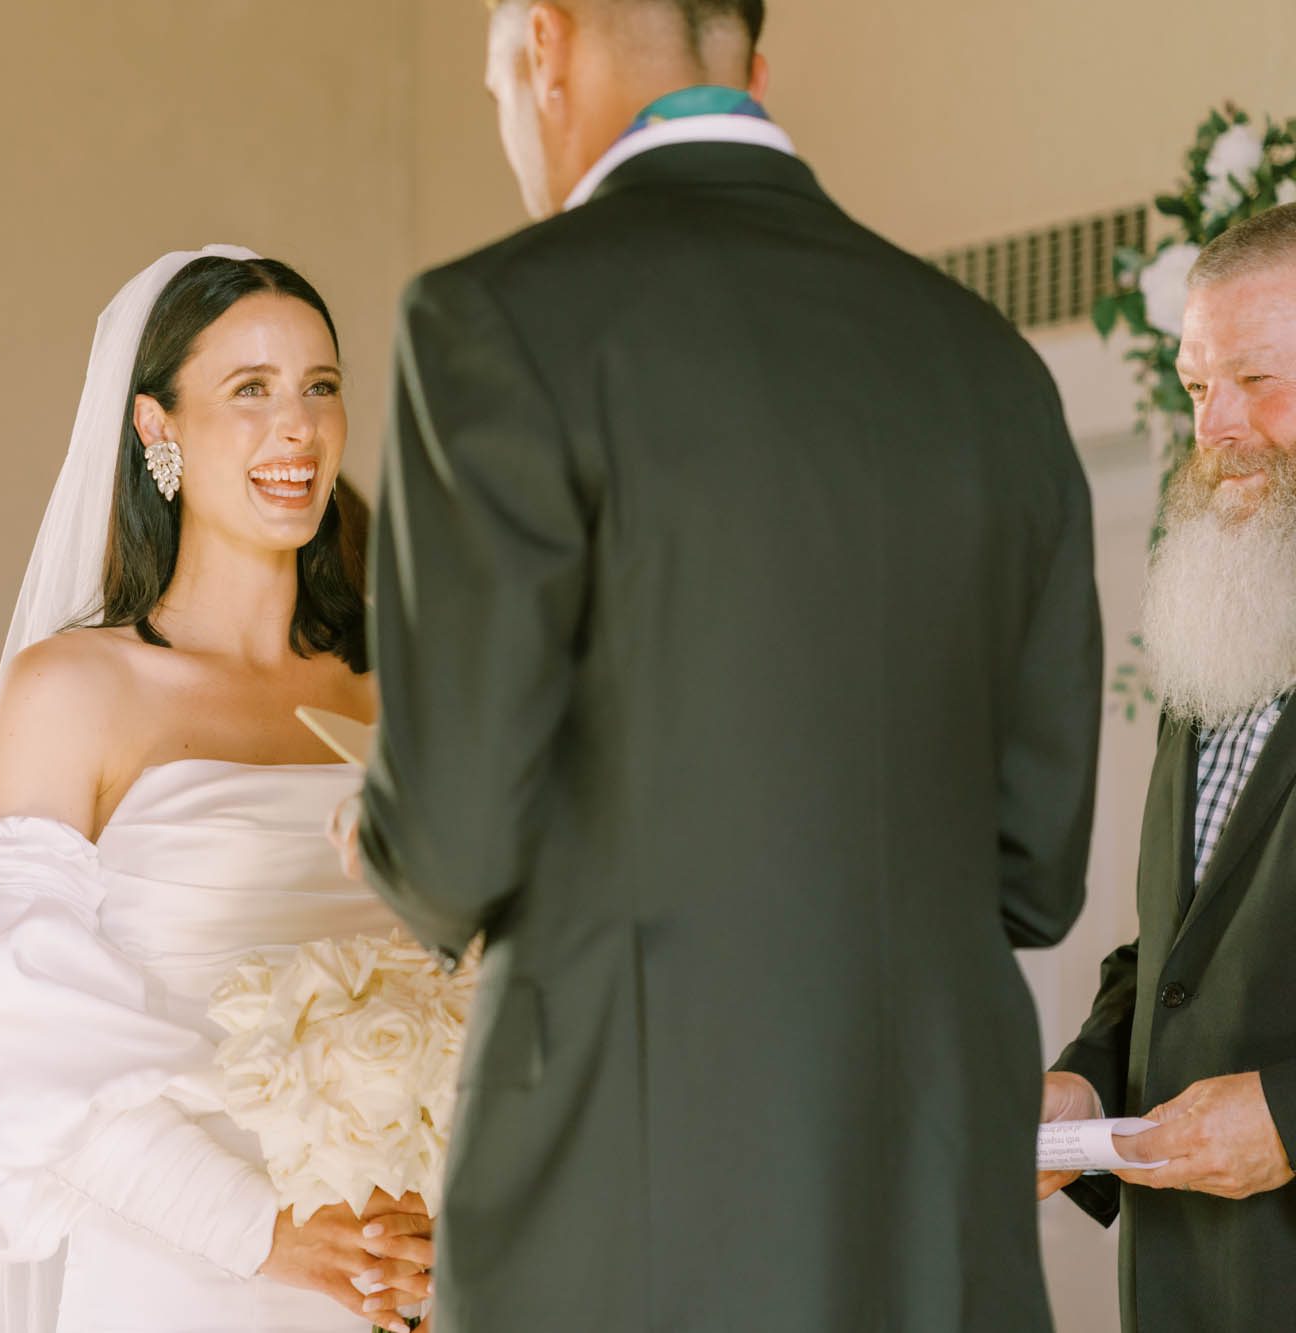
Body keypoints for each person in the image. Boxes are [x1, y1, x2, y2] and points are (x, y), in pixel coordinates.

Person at [346, 1, 1102, 1328]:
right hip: (927, 1215)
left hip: (628, 1206)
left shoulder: (495, 321)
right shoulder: (990, 363)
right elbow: (1038, 862)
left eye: (496, 88)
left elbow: (452, 840)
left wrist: (380, 832)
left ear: (548, 46)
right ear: (748, 61)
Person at [0, 248, 428, 1333]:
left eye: (321, 387)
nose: (298, 429)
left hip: (398, 1258)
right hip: (184, 1271)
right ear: (153, 428)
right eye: (250, 391)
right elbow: (3, 1030)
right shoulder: (74, 691)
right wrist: (254, 1230)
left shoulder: (405, 687)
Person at [1043, 203, 1296, 1331]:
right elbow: (1173, 955)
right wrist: (1087, 1079)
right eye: (1198, 387)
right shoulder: (1230, 619)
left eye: (1257, 379)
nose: (1219, 426)